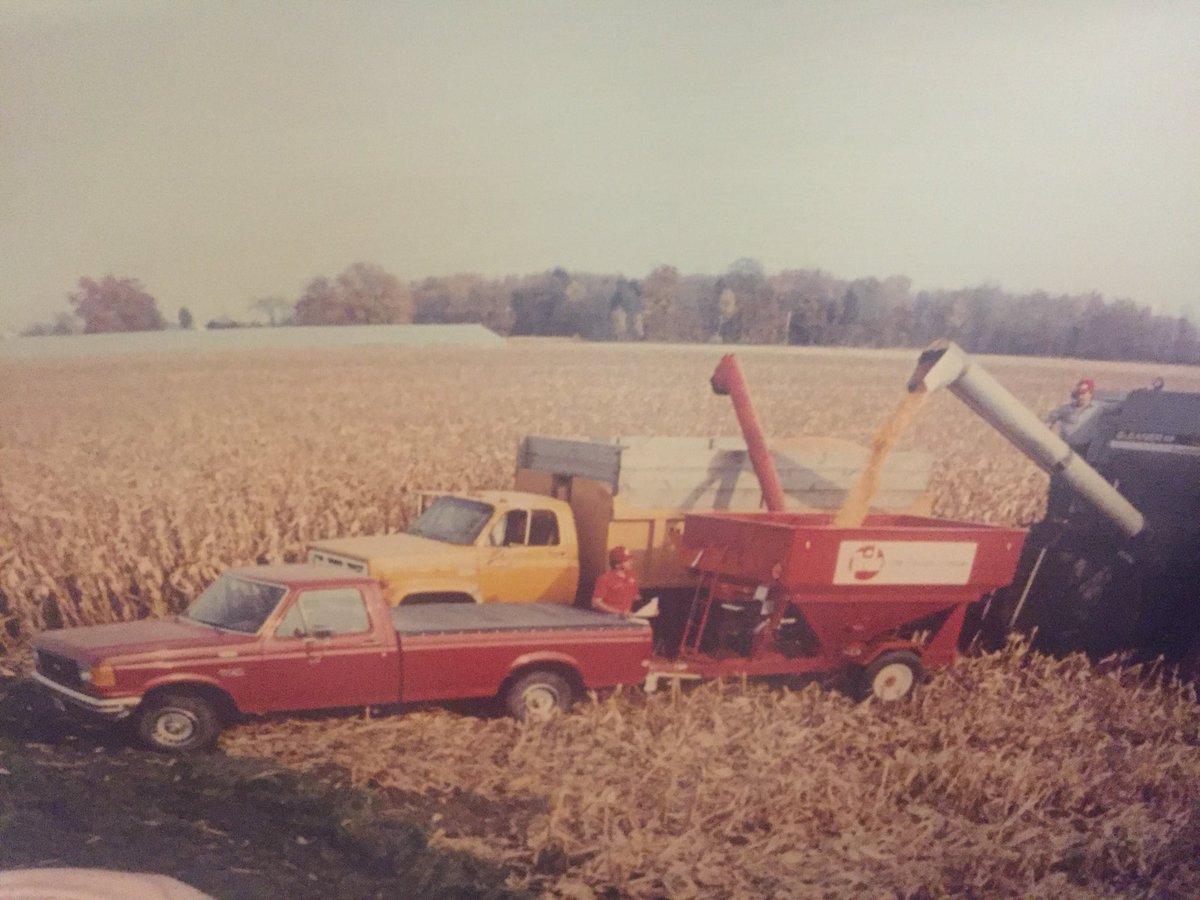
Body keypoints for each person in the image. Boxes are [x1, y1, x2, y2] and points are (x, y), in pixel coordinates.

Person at [1045, 378, 1100, 445]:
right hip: (1066, 447)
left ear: (1091, 393)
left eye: (1083, 393)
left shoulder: (1098, 410)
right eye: (1078, 393)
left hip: (1086, 450)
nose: (1080, 396)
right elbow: (1049, 420)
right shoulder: (1066, 408)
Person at [592, 545, 640, 617]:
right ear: (617, 565)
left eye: (630, 559)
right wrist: (619, 612)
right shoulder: (604, 579)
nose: (631, 562)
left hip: (627, 618)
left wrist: (649, 609)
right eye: (627, 561)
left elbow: (636, 597)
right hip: (608, 619)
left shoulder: (631, 576)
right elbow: (596, 602)